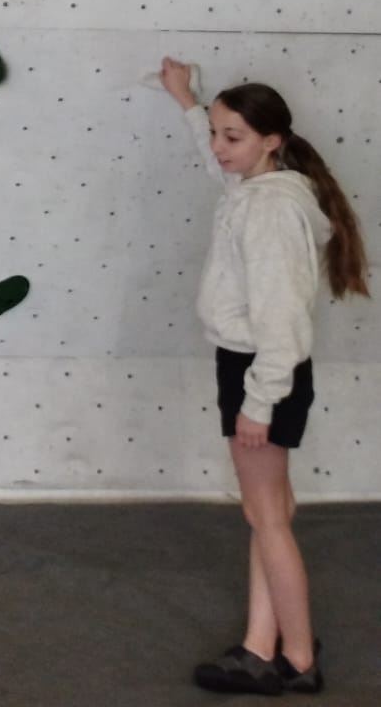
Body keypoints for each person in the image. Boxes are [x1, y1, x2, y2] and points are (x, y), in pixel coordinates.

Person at [158, 58, 370, 697]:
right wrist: (187, 103)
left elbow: (282, 325)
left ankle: (298, 660)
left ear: (271, 141)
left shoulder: (271, 212)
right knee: (270, 510)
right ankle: (259, 644)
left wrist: (258, 402)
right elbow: (217, 163)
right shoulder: (261, 189)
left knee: (267, 516)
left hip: (261, 372)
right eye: (218, 133)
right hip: (260, 371)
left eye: (234, 136)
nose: (220, 148)